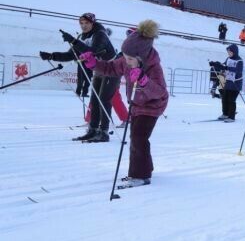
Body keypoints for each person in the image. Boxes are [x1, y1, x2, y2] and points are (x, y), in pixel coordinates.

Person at [80, 19, 168, 187]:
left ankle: (140, 176)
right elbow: (110, 68)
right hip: (136, 104)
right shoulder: (126, 60)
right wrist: (94, 64)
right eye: (125, 57)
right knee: (137, 137)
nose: (126, 61)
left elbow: (160, 92)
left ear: (141, 57)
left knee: (138, 137)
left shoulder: (153, 67)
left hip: (152, 106)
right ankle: (145, 168)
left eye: (130, 59)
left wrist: (144, 81)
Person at [39, 13, 119, 142]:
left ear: (92, 23)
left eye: (86, 23)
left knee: (103, 100)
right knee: (94, 100)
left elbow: (92, 51)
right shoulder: (82, 37)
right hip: (99, 69)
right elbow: (70, 55)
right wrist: (51, 56)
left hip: (112, 68)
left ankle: (104, 132)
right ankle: (93, 130)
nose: (83, 26)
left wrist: (73, 41)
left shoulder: (100, 34)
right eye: (81, 23)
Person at [213, 44, 243, 123]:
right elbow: (223, 65)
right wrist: (215, 64)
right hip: (228, 83)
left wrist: (226, 68)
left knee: (231, 100)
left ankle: (231, 117)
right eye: (228, 52)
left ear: (234, 52)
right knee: (224, 98)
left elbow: (238, 70)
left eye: (230, 52)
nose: (229, 53)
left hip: (236, 84)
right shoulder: (228, 59)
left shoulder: (239, 61)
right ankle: (225, 114)